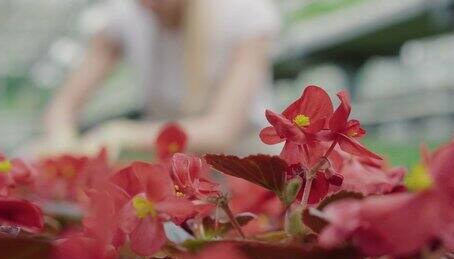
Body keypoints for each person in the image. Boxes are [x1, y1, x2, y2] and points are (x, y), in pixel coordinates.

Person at [39, 0, 281, 157]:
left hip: (244, 163)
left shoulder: (245, 13)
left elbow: (222, 131)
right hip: (174, 165)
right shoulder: (125, 14)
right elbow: (63, 106)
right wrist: (62, 138)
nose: (148, 6)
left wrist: (123, 134)